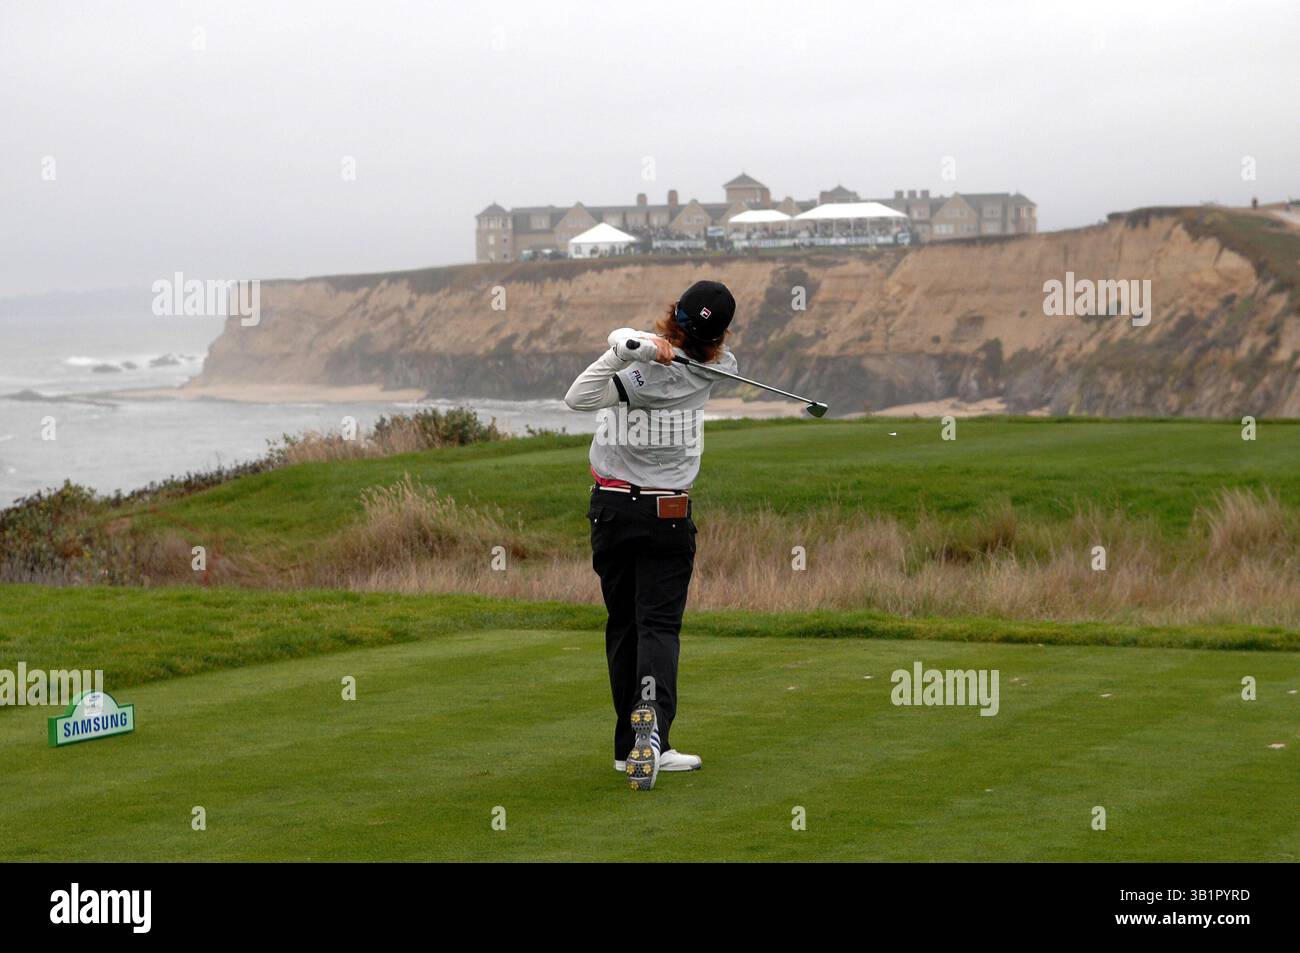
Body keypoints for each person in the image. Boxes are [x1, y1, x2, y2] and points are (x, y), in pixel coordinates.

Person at [563, 280, 738, 790]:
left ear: (672, 314)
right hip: (667, 516)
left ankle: (629, 746)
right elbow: (720, 354)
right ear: (720, 334)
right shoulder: (716, 370)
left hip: (612, 513)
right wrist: (640, 346)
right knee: (658, 627)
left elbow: (578, 398)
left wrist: (621, 347)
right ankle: (653, 734)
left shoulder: (637, 375)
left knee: (624, 626)